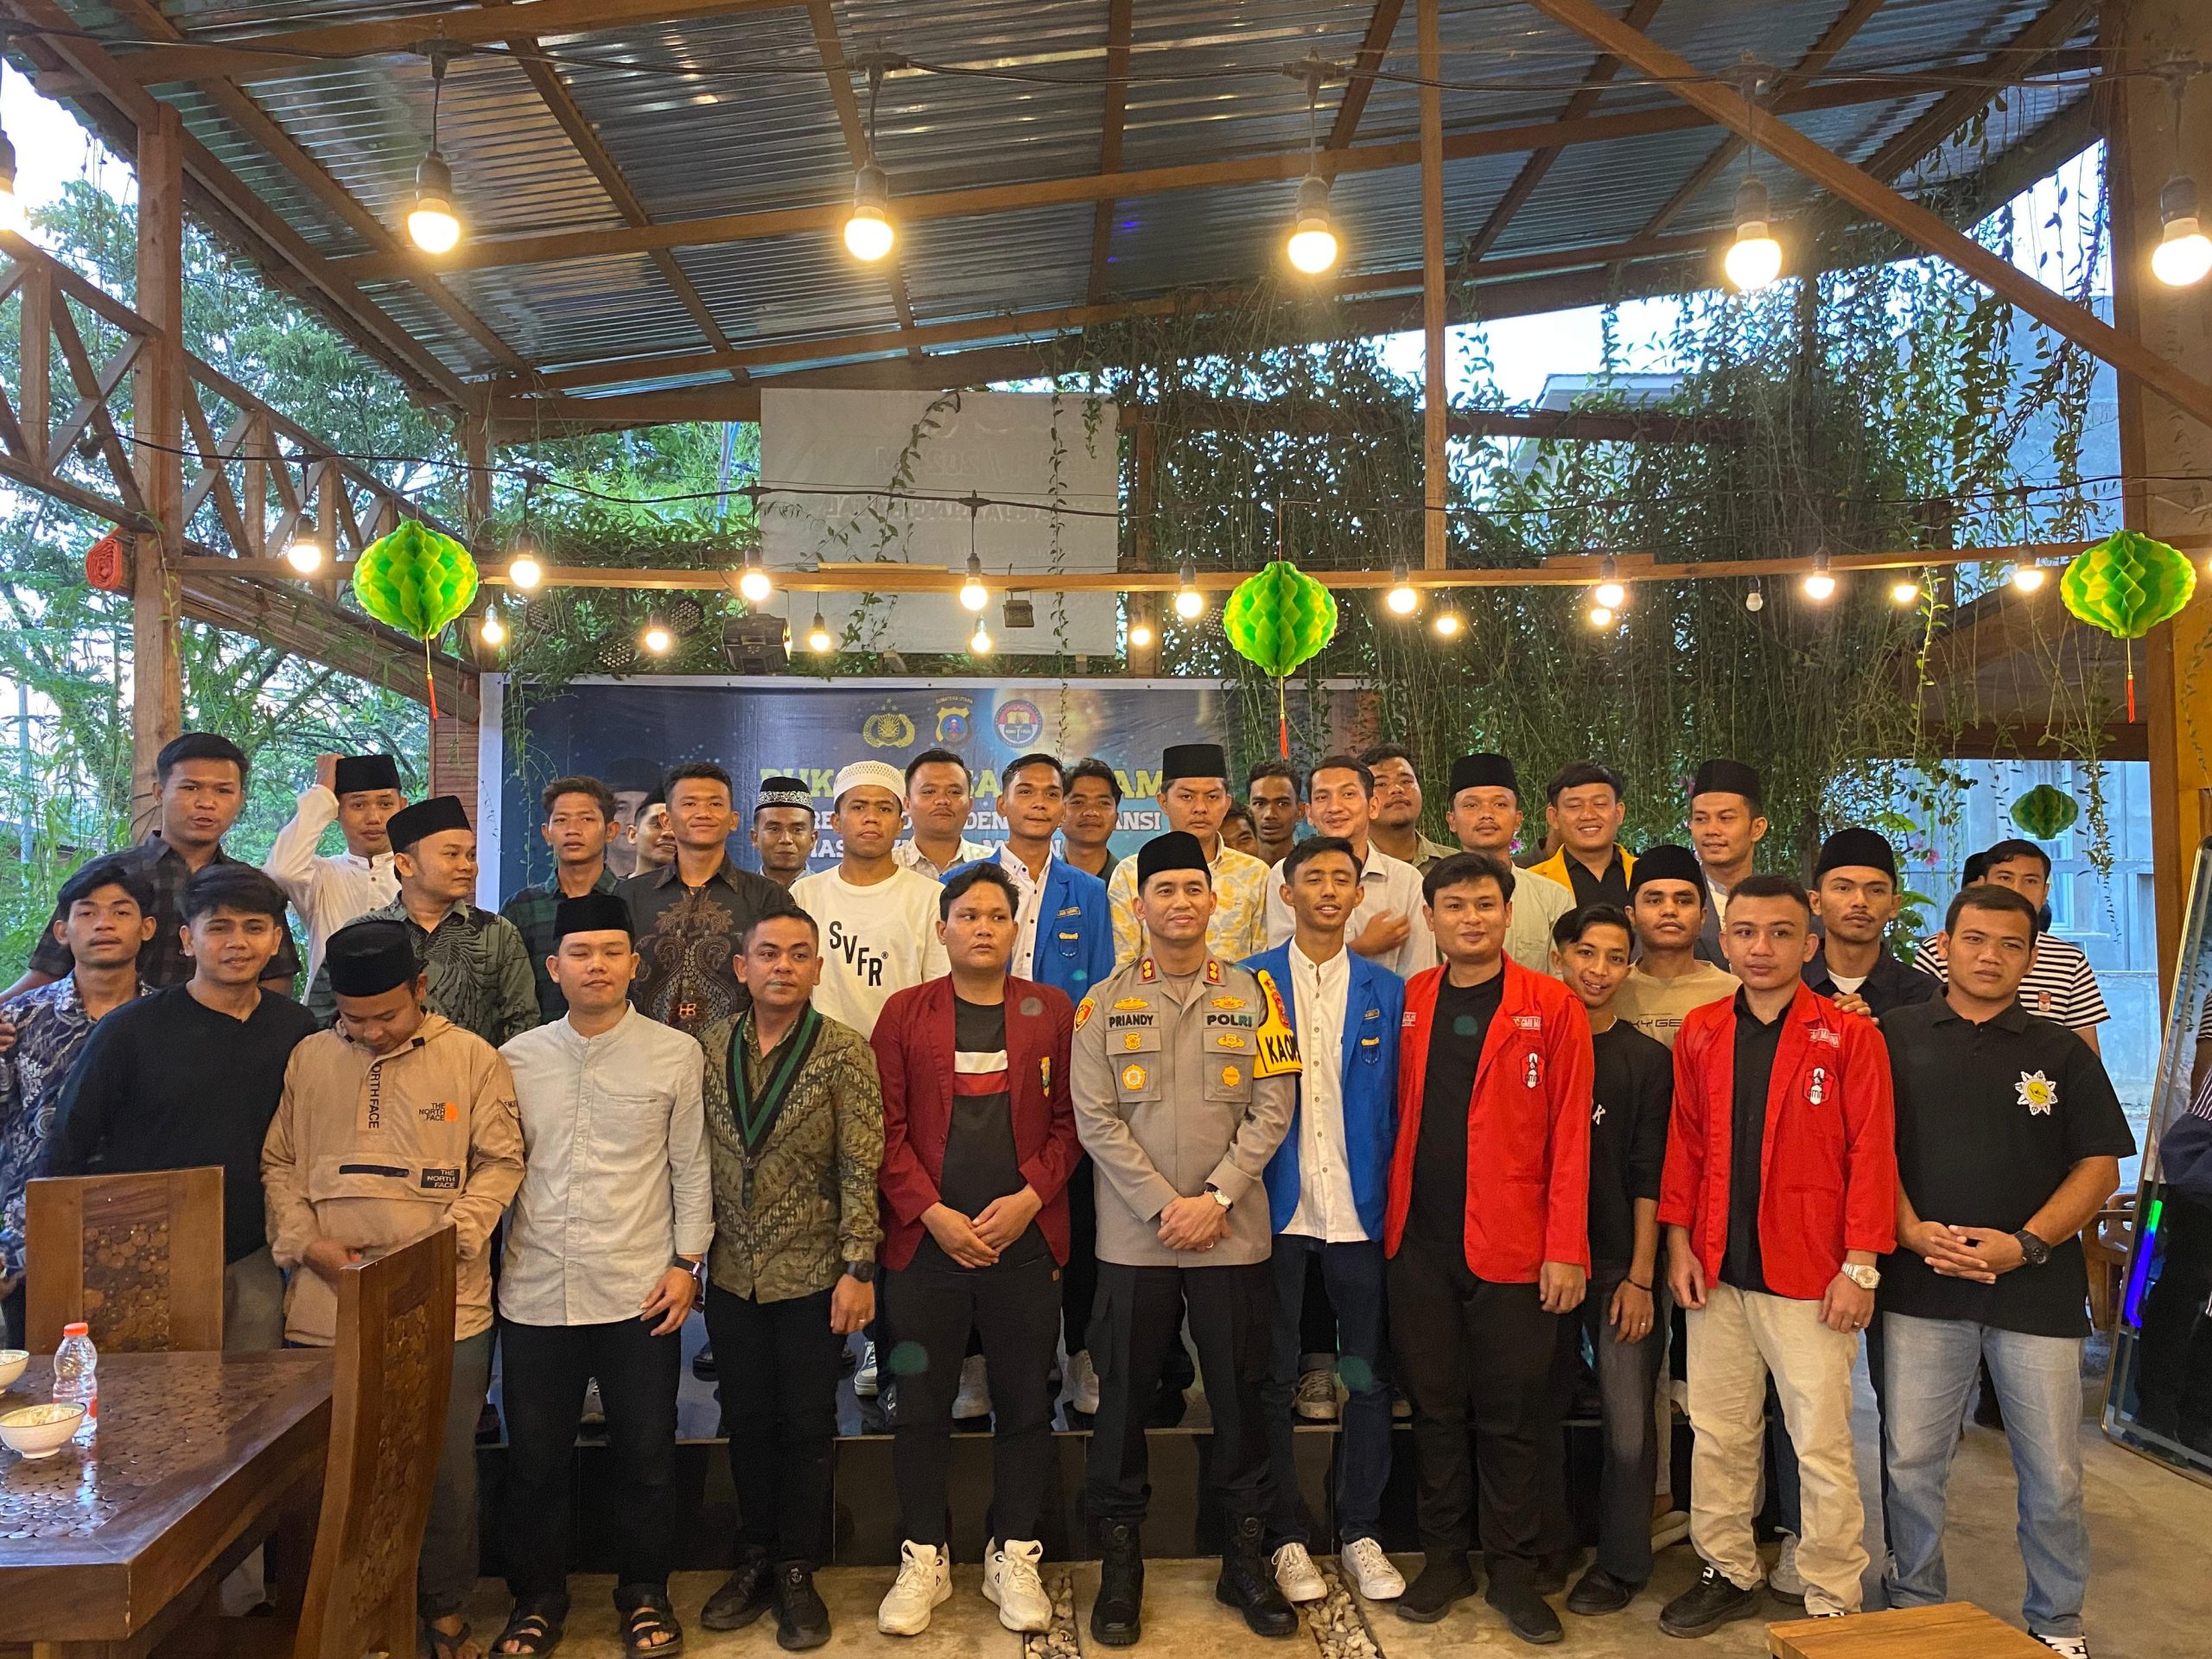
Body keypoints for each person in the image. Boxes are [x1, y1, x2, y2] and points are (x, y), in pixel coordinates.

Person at [1880, 882, 2132, 1659]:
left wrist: (2024, 1244)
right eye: (1975, 939)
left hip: (2037, 1293)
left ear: (2030, 958)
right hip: (1921, 1284)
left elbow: (2100, 1168)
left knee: (2053, 1472)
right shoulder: (1893, 1037)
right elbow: (1864, 1147)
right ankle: (1914, 1606)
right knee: (1911, 1463)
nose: (1990, 956)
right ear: (1944, 946)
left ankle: (2057, 1622)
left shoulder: (2060, 1051)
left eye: (2010, 945)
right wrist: (1910, 1230)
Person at [261, 918, 524, 1659]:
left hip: (444, 1304)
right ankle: (340, 1616)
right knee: (333, 1468)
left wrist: (442, 1245)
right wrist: (307, 1244)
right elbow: (279, 1163)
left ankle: (444, 1611)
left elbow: (500, 1163)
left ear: (421, 988)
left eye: (387, 1016)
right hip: (325, 1303)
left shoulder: (471, 1059)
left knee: (441, 1468)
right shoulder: (310, 1057)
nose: (372, 1032)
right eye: (356, 1019)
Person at [1073, 830, 1301, 1644]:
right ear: (1139, 907)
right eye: (1163, 890)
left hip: (1230, 1236)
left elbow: (1273, 1108)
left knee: (1241, 1399)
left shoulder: (1255, 995)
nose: (1179, 903)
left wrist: (1215, 1198)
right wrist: (1165, 1205)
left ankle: (1245, 1562)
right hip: (1135, 1241)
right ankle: (1120, 1570)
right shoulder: (1101, 1003)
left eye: (1191, 889)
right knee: (1123, 1404)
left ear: (1213, 900)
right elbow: (1094, 1118)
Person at [1656, 874, 1895, 1634]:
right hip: (1718, 1270)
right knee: (1720, 1433)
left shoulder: (1850, 1037)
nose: (1762, 948)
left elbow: (1872, 1154)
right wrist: (1678, 1242)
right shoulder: (1702, 1031)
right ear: (1724, 942)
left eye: (1781, 933)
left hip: (1813, 1274)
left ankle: (1832, 1591)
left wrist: (1860, 1266)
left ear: (1809, 944)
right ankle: (1728, 1567)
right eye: (1746, 932)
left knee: (1820, 1441)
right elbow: (1686, 1144)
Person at [1381, 851, 1592, 1646]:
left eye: (1484, 905)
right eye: (1454, 906)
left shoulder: (1552, 1005)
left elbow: (1571, 1137)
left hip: (1517, 1246)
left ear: (1508, 915)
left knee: (1512, 1417)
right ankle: (1444, 1561)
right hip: (1419, 1242)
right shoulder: (1411, 1000)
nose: (1469, 918)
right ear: (1430, 918)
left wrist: (1565, 1248)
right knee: (1435, 1409)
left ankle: (1513, 1570)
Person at [493, 893, 712, 1659]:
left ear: (634, 964)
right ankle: (536, 1600)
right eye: (581, 955)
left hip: (638, 1288)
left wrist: (687, 1265)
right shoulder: (515, 1059)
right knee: (535, 1462)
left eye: (612, 952)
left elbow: (691, 1167)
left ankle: (645, 1594)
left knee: (646, 1456)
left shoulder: (674, 1054)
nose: (597, 967)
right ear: (554, 967)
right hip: (535, 1289)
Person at [871, 865, 1079, 1637]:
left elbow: (1073, 1124)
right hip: (926, 1248)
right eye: (968, 916)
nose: (983, 927)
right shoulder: (904, 1013)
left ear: (1016, 929)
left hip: (1024, 1245)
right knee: (921, 1406)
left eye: (997, 916)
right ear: (943, 929)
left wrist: (1029, 1199)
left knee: (1025, 1403)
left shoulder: (1050, 1010)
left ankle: (1012, 1552)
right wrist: (932, 1214)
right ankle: (924, 1555)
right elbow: (884, 1130)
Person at [696, 906, 882, 1650]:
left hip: (812, 1272)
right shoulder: (709, 1047)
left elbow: (860, 1165)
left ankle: (799, 1566)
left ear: (817, 969)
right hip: (731, 1273)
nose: (783, 966)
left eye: (799, 954)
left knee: (806, 1423)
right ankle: (754, 1558)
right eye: (768, 953)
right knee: (745, 1420)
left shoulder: (843, 1051)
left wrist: (858, 1267)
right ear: (741, 967)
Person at [42, 865, 319, 1350]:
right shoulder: (129, 1030)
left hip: (252, 1251)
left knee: (254, 1389)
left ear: (276, 940)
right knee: (151, 1388)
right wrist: (61, 1258)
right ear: (188, 940)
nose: (237, 943)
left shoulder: (295, 1027)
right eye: (219, 927)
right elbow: (67, 1146)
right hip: (145, 1249)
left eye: (254, 928)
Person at [1245, 836, 1407, 1605]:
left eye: (1345, 878)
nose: (1332, 890)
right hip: (1273, 1208)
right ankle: (1284, 1536)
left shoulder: (1388, 991)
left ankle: (1361, 1530)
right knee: (1274, 1377)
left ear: (1358, 894)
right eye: (1315, 879)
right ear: (1288, 893)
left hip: (1360, 1206)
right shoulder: (1247, 983)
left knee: (1365, 1377)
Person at [1546, 905, 1671, 1618]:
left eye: (1615, 957)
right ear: (1559, 956)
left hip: (1621, 1262)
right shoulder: (1532, 1046)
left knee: (1628, 1424)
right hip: (1540, 1262)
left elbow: (1652, 1173)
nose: (1598, 970)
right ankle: (1546, 1543)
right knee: (1535, 1410)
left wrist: (1642, 1276)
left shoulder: (1645, 1061)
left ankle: (1622, 1563)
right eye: (1585, 953)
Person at [10, 732, 302, 998]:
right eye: (190, 788)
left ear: (240, 800)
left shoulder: (251, 886)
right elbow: (49, 971)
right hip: (115, 1032)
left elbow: (276, 978)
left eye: (223, 791)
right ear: (159, 792)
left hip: (222, 1035)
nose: (206, 803)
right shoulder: (109, 876)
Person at [0, 855, 156, 1344]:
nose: (104, 923)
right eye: (87, 912)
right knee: (37, 1376)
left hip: (145, 1234)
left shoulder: (170, 1022)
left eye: (120, 911)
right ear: (62, 931)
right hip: (32, 1238)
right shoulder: (17, 1021)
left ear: (147, 928)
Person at [308, 796, 537, 1050]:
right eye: (452, 854)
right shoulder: (361, 935)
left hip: (473, 1073)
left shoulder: (497, 932)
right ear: (406, 864)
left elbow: (522, 1023)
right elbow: (321, 1020)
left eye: (471, 855)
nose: (467, 866)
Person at [620, 761, 787, 1038]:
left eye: (715, 804)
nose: (703, 813)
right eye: (689, 804)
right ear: (667, 820)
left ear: (733, 820)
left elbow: (783, 982)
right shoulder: (629, 896)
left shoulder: (768, 897)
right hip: (643, 1052)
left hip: (737, 1053)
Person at [790, 762, 950, 1037]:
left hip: (903, 1051)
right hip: (819, 1051)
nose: (871, 818)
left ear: (900, 824)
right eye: (858, 807)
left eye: (884, 809)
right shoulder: (804, 893)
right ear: (836, 821)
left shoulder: (930, 897)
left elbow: (939, 993)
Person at [1913, 840, 2108, 1053]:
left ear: (2045, 893)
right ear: (1983, 884)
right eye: (2005, 878)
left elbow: (2086, 1052)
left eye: (2030, 881)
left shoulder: (2070, 961)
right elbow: (1919, 1027)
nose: (2017, 890)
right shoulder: (1938, 949)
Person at [956, 754, 1115, 1007]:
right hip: (976, 1026)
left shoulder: (1089, 890)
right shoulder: (958, 883)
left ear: (1063, 810)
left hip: (1065, 1028)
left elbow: (1101, 982)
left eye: (1051, 794)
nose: (1039, 803)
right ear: (1002, 805)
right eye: (1026, 792)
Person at [1264, 754, 1433, 981]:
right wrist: (1364, 946)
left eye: (1348, 794)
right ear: (1310, 813)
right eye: (1322, 797)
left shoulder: (1406, 879)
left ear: (1373, 806)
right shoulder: (1285, 873)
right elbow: (1283, 967)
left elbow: (1420, 974)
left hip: (1388, 1003)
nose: (1335, 807)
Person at [1105, 744, 1270, 966]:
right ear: (1163, 802)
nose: (1200, 808)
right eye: (1187, 797)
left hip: (1237, 989)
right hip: (1152, 989)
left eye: (1212, 797)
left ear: (1227, 803)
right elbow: (1124, 966)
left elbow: (1263, 962)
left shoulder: (1255, 873)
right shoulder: (1131, 873)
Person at [262, 752, 404, 982]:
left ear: (402, 806)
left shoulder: (418, 875)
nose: (374, 817)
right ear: (337, 810)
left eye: (386, 804)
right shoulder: (321, 876)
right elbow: (281, 871)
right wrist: (322, 792)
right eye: (358, 805)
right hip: (326, 1003)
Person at [502, 775, 623, 1027]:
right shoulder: (522, 907)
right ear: (547, 833)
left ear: (611, 831)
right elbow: (507, 990)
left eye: (586, 819)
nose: (573, 830)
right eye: (561, 820)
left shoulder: (630, 898)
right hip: (540, 1042)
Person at [1442, 753, 1572, 974]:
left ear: (1518, 819)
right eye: (1471, 805)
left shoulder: (1553, 899)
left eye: (1500, 804)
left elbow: (1562, 979)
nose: (1486, 814)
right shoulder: (1432, 896)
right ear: (1452, 820)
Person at [1612, 844, 1740, 1050]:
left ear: (1702, 916)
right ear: (1631, 915)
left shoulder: (1734, 994)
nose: (1669, 910)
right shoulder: (1611, 991)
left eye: (1683, 901)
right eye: (1655, 901)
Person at [1807, 828, 1937, 1014]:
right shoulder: (1789, 985)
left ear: (1894, 905)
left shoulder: (1924, 996)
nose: (1860, 901)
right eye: (1843, 888)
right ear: (1816, 902)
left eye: (1876, 890)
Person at [1686, 760, 1768, 964]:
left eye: (1726, 818)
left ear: (1757, 828)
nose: (1711, 830)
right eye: (1701, 819)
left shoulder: (1780, 901)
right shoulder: (1676, 902)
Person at [1528, 762, 1636, 907]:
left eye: (1600, 804)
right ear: (1553, 817)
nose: (1588, 815)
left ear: (1619, 813)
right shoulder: (1530, 883)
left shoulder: (1646, 874)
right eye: (1574, 806)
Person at [896, 749, 993, 880]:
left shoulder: (993, 865)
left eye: (954, 792)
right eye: (929, 792)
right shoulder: (887, 866)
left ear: (970, 805)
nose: (942, 800)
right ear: (907, 804)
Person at [1362, 744, 1455, 870]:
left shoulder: (1455, 865)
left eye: (1406, 781)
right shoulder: (1347, 866)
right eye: (1381, 784)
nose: (1396, 789)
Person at [1062, 758, 1123, 882]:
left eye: (1103, 803)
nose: (1091, 812)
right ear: (1059, 815)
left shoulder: (1134, 885)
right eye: (1078, 802)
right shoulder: (1038, 882)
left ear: (1116, 819)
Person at [752, 775, 818, 887]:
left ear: (813, 839)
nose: (786, 839)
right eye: (774, 829)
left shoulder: (829, 894)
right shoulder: (738, 895)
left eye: (797, 830)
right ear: (755, 838)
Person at [603, 757, 660, 880]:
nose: (631, 821)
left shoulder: (683, 886)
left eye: (642, 809)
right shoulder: (582, 884)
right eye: (621, 808)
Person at [1246, 761, 1302, 867]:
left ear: (1300, 811)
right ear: (1249, 811)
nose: (1269, 814)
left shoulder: (1313, 868)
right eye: (1260, 804)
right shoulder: (1235, 872)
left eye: (1282, 804)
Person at [632, 792, 677, 877]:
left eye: (677, 826)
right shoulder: (611, 885)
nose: (669, 833)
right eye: (657, 825)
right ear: (633, 834)